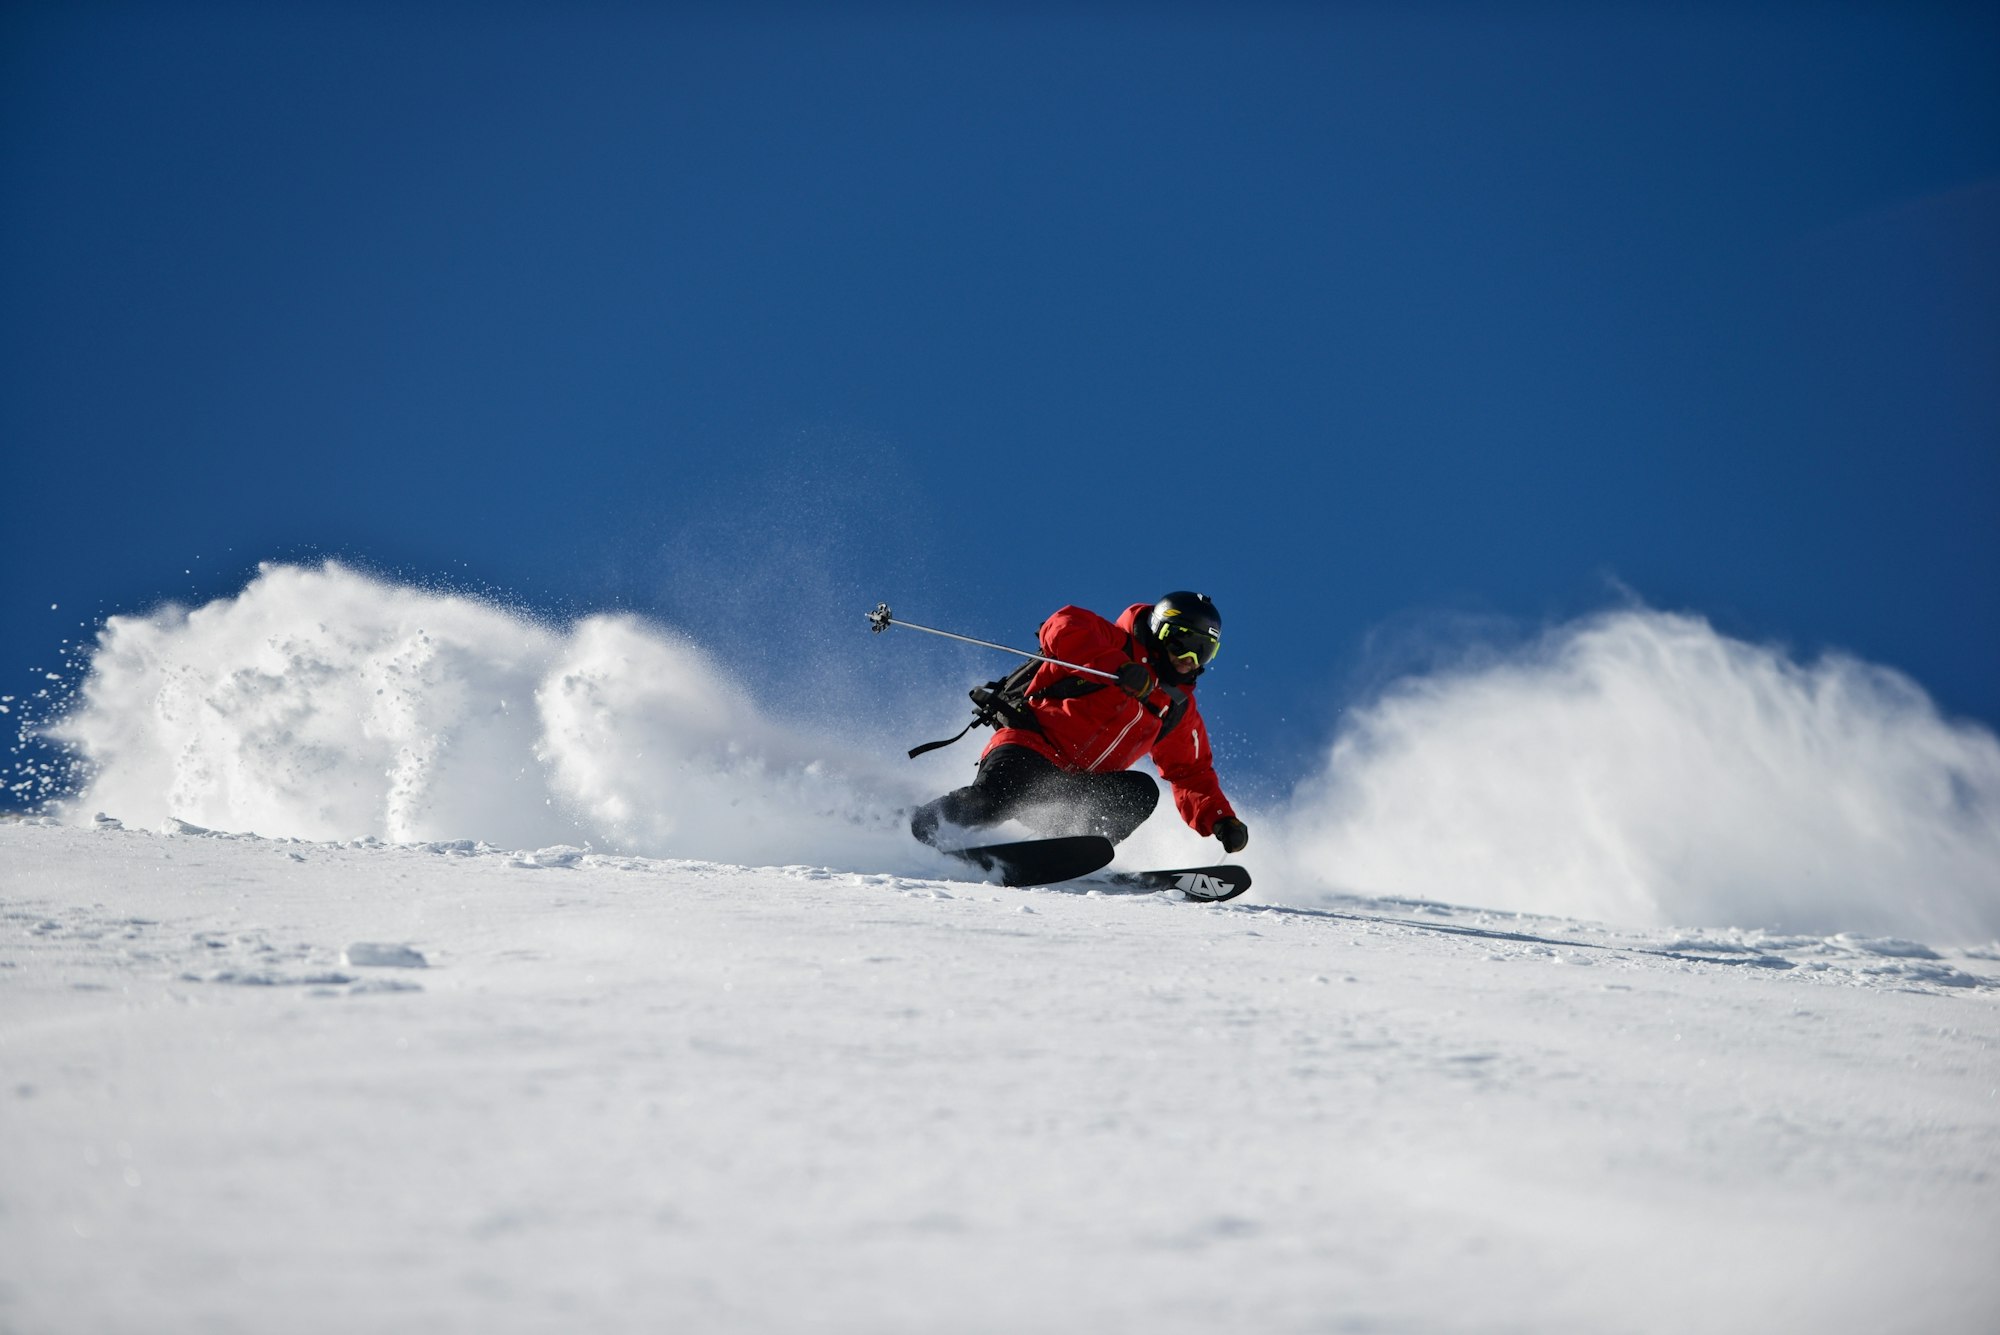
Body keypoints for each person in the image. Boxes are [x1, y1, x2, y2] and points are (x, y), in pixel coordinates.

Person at [910, 592, 1249, 856]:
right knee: (990, 802)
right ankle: (913, 827)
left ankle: (1069, 849)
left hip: (1074, 788)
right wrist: (1119, 666)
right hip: (1030, 747)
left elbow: (1191, 772)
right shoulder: (1112, 641)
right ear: (1160, 633)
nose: (1188, 661)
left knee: (1140, 792)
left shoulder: (1174, 708)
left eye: (1203, 652)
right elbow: (1060, 625)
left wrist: (1220, 820)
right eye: (1184, 645)